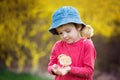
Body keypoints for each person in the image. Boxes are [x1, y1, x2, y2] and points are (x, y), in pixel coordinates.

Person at [48, 6, 96, 80]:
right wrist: (53, 69)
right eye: (60, 33)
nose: (64, 36)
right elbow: (50, 65)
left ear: (78, 27)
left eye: (68, 31)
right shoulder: (58, 46)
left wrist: (69, 69)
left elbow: (89, 71)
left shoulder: (86, 45)